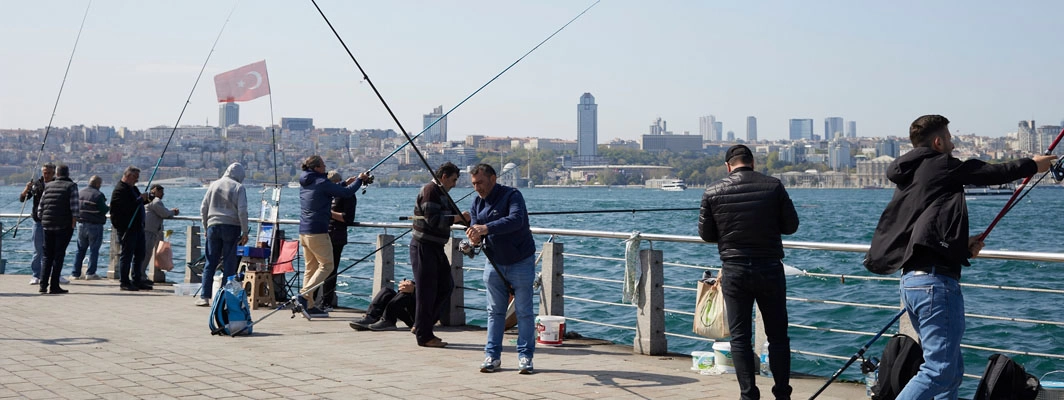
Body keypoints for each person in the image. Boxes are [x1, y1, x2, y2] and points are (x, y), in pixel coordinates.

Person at [865, 115, 1055, 399]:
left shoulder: (912, 175)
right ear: (938, 142)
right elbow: (990, 173)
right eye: (950, 139)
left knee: (951, 371)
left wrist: (959, 246)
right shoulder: (940, 164)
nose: (953, 144)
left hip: (913, 282)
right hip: (933, 284)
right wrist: (1033, 164)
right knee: (939, 370)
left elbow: (919, 230)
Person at [699, 144, 799, 400]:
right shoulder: (773, 186)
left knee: (740, 338)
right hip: (769, 268)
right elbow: (791, 226)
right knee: (778, 336)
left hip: (734, 270)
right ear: (753, 162)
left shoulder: (713, 191)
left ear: (728, 166)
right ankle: (782, 394)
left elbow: (706, 234)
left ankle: (748, 395)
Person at [466, 163, 537, 374]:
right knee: (494, 312)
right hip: (494, 262)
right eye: (473, 184)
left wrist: (486, 228)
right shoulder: (476, 203)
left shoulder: (513, 195)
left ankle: (525, 357)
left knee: (524, 312)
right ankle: (492, 356)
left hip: (521, 260)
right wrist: (475, 239)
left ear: (493, 178)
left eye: (480, 182)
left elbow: (516, 220)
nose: (477, 187)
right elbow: (477, 229)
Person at [296, 155, 368, 316]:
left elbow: (333, 189)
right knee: (328, 265)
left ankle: (309, 305)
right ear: (316, 168)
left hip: (304, 231)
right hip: (318, 231)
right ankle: (304, 295)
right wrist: (360, 180)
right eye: (322, 165)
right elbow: (346, 193)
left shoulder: (306, 182)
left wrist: (345, 182)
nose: (325, 167)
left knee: (311, 267)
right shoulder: (321, 182)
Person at [409, 162, 467, 347]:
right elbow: (433, 220)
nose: (455, 184)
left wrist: (465, 219)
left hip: (436, 247)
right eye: (453, 179)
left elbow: (447, 216)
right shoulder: (430, 191)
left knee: (446, 285)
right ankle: (424, 337)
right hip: (423, 246)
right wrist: (457, 218)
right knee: (426, 292)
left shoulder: (442, 193)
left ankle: (421, 324)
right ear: (444, 177)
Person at [197, 162, 249, 307]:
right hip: (232, 227)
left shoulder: (213, 185)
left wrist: (206, 226)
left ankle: (204, 296)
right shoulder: (239, 187)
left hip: (213, 226)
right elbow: (242, 211)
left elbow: (203, 207)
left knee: (210, 262)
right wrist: (245, 231)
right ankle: (225, 297)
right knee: (229, 262)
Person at [37, 164, 79, 295]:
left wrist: (43, 219)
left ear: (56, 173)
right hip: (63, 226)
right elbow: (75, 208)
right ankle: (54, 285)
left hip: (47, 225)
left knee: (47, 256)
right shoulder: (71, 186)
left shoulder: (48, 185)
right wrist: (73, 224)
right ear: (67, 174)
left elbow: (40, 207)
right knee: (58, 256)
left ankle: (43, 285)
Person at [19, 162, 62, 285]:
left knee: (54, 250)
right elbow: (23, 199)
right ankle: (36, 275)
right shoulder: (37, 184)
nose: (46, 175)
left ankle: (56, 275)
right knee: (38, 250)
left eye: (49, 173)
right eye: (44, 173)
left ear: (54, 173)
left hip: (53, 221)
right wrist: (26, 189)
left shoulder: (58, 184)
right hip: (38, 221)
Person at [321, 170, 358, 315]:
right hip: (323, 234)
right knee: (320, 268)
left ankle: (327, 302)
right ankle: (313, 300)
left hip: (336, 236)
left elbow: (348, 218)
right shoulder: (327, 194)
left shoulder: (347, 195)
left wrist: (329, 213)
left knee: (331, 269)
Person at [110, 166, 152, 291]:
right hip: (127, 228)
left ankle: (137, 279)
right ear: (128, 176)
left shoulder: (133, 188)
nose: (136, 180)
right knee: (127, 255)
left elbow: (138, 203)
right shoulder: (120, 190)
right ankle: (124, 282)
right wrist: (140, 199)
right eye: (135, 178)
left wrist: (147, 198)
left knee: (140, 254)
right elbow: (126, 207)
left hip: (138, 227)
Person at [71, 175, 108, 280]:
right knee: (94, 250)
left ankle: (75, 273)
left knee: (80, 249)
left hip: (81, 225)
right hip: (94, 225)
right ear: (97, 184)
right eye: (100, 184)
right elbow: (103, 209)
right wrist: (109, 207)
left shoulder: (80, 193)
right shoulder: (98, 195)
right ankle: (90, 273)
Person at [141, 184, 179, 284]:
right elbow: (165, 213)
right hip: (149, 230)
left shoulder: (147, 200)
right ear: (155, 191)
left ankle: (139, 274)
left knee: (142, 253)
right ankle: (140, 276)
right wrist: (173, 212)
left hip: (144, 229)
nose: (163, 194)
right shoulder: (155, 201)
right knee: (146, 254)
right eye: (161, 192)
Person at [349, 279, 416, 331]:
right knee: (386, 291)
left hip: (421, 318)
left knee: (406, 295)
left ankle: (388, 321)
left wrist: (413, 289)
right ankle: (372, 317)